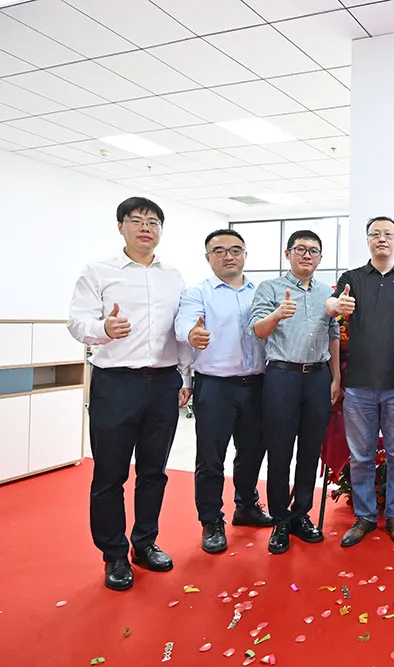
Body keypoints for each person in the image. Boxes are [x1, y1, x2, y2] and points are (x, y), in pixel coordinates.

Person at [68, 196, 192, 591]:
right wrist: (104, 328)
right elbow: (77, 321)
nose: (145, 228)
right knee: (110, 474)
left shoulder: (173, 276)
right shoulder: (98, 272)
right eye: (136, 220)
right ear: (120, 226)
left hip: (163, 383)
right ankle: (114, 553)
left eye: (153, 222)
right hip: (115, 384)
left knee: (154, 471)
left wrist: (185, 377)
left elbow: (181, 330)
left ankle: (145, 543)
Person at [175, 229, 272, 556]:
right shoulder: (198, 293)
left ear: (245, 254)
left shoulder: (261, 291)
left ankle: (246, 506)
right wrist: (192, 334)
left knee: (253, 451)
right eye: (219, 251)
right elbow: (184, 324)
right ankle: (211, 520)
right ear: (208, 257)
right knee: (210, 457)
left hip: (256, 384)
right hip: (215, 386)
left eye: (235, 250)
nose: (228, 256)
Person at [326, 216, 394, 548]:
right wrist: (336, 305)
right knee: (361, 456)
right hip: (359, 385)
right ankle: (365, 516)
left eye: (388, 234)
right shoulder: (351, 279)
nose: (382, 238)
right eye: (375, 234)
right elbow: (331, 306)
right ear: (367, 240)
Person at [249, 230, 341, 555]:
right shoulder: (270, 288)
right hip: (282, 377)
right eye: (300, 249)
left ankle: (301, 514)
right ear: (288, 253)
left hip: (317, 377)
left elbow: (334, 335)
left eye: (313, 251)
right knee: (280, 451)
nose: (307, 255)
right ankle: (280, 519)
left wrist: (336, 378)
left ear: (320, 258)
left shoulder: (326, 293)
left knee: (310, 450)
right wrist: (277, 314)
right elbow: (257, 330)